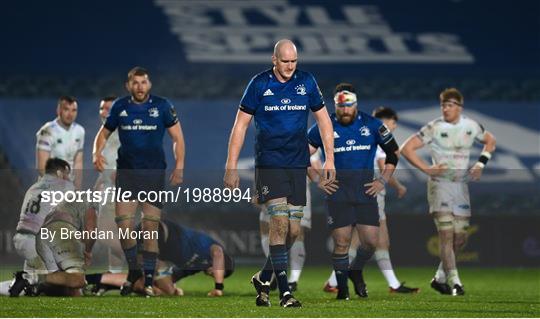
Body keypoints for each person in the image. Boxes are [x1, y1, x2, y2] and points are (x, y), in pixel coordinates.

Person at [223, 39, 336, 307]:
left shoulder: (307, 81)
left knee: (294, 231)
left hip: (298, 163)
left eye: (293, 61)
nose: (289, 66)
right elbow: (240, 126)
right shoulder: (259, 84)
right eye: (284, 61)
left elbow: (323, 120)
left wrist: (330, 157)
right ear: (274, 60)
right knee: (279, 224)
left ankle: (263, 276)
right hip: (270, 163)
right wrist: (231, 165)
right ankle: (284, 292)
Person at [92, 67, 186, 296]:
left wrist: (180, 165)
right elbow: (103, 133)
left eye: (144, 82)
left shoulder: (163, 106)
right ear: (128, 86)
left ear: (149, 84)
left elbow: (177, 137)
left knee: (149, 229)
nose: (140, 86)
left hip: (154, 175)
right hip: (127, 175)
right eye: (135, 83)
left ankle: (149, 281)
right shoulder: (120, 107)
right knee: (123, 226)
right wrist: (96, 153)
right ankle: (135, 270)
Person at [307, 83, 400, 300]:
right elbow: (303, 153)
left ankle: (356, 270)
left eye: (349, 106)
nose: (345, 110)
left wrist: (383, 180)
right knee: (342, 242)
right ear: (336, 106)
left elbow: (393, 153)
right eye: (341, 106)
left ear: (355, 105)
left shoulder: (373, 124)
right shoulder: (324, 125)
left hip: (366, 191)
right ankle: (343, 291)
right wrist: (317, 179)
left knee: (370, 242)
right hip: (337, 191)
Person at [400, 88, 496, 296]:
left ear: (459, 107)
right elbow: (406, 148)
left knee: (459, 239)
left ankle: (440, 278)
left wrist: (481, 163)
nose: (445, 108)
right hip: (440, 185)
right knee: (445, 235)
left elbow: (491, 141)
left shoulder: (471, 126)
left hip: (460, 186)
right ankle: (455, 282)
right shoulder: (434, 127)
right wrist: (426, 169)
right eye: (443, 104)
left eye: (450, 104)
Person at [322, 107, 419, 294]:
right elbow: (385, 166)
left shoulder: (368, 137)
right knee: (377, 241)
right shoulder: (379, 140)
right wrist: (396, 185)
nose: (390, 126)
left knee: (362, 241)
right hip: (370, 194)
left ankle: (335, 281)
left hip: (361, 192)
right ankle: (387, 283)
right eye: (388, 122)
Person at [85, 219, 235, 297]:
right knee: (149, 284)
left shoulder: (196, 266)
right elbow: (218, 254)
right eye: (217, 273)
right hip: (159, 232)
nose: (211, 274)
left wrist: (172, 288)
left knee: (156, 288)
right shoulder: (211, 247)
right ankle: (92, 278)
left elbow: (170, 277)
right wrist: (218, 288)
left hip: (156, 247)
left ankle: (98, 281)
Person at [0, 158, 73, 296]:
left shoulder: (33, 187)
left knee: (25, 281)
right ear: (59, 172)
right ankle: (29, 282)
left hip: (21, 238)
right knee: (57, 287)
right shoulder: (64, 186)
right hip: (37, 243)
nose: (67, 176)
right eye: (66, 173)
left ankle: (19, 282)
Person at [258, 152, 321, 292]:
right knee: (270, 227)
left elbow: (313, 166)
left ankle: (286, 277)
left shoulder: (307, 138)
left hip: (297, 185)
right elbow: (261, 156)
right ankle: (280, 278)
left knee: (295, 232)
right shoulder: (269, 132)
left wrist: (321, 178)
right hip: (273, 181)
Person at [9, 200, 97, 297]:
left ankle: (34, 286)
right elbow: (91, 229)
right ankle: (30, 277)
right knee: (79, 280)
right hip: (61, 230)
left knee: (65, 286)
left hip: (42, 236)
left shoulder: (68, 202)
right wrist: (88, 252)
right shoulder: (90, 201)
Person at [93, 96, 125, 273]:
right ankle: (115, 273)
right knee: (114, 233)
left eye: (108, 108)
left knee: (103, 232)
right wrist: (98, 184)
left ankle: (139, 260)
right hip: (108, 188)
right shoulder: (104, 133)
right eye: (101, 108)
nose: (104, 112)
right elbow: (106, 166)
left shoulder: (122, 131)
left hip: (119, 190)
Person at [36, 96, 84, 189]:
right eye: (66, 109)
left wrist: (77, 189)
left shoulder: (80, 131)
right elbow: (42, 166)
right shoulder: (47, 131)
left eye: (74, 110)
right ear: (59, 110)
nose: (70, 114)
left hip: (69, 187)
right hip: (50, 187)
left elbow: (78, 163)